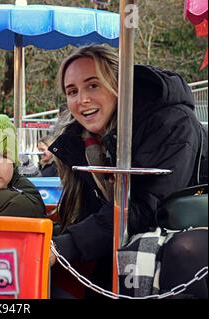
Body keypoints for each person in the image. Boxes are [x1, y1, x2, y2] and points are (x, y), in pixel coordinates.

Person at [48, 45, 208, 298]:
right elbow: (90, 214)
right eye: (72, 91)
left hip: (187, 233)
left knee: (183, 253)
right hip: (123, 240)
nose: (82, 100)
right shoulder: (81, 142)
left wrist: (61, 247)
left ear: (119, 85)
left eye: (93, 85)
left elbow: (146, 206)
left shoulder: (172, 122)